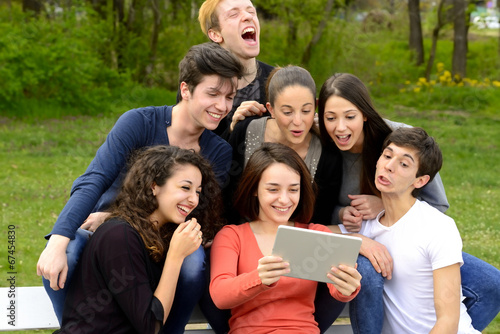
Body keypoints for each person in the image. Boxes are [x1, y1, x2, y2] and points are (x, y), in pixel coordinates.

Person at [36, 42, 244, 332]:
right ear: (185, 89)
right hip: (111, 242)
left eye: (229, 97)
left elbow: (194, 216)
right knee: (66, 252)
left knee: (193, 260)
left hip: (164, 240)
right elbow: (94, 179)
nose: (222, 106)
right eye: (213, 94)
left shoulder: (218, 152)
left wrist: (112, 216)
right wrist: (59, 239)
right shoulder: (138, 122)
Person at [317, 72, 500, 333]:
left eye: (349, 116)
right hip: (366, 235)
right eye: (330, 118)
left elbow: (435, 208)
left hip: (409, 236)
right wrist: (344, 214)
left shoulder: (399, 138)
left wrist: (385, 204)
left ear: (365, 114)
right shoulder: (320, 144)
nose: (340, 127)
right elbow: (315, 224)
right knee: (368, 270)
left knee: (489, 284)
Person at [55, 145, 224, 333]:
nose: (194, 199)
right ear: (154, 186)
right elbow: (150, 325)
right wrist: (176, 257)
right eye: (185, 187)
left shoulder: (158, 238)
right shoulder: (119, 236)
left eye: (198, 192)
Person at [226, 65, 345, 332]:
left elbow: (319, 216)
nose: (298, 122)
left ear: (315, 106)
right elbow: (228, 192)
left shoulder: (326, 152)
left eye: (306, 111)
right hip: (243, 240)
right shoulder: (246, 131)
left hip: (297, 246)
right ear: (270, 108)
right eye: (287, 112)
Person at [334, 127, 480, 333]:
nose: (389, 166)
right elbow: (311, 235)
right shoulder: (364, 224)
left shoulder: (437, 227)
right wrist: (359, 239)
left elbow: (448, 321)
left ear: (420, 181)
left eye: (403, 164)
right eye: (387, 156)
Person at [210, 142, 361, 333]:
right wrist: (259, 278)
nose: (284, 199)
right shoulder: (232, 236)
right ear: (254, 189)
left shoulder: (316, 234)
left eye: (293, 189)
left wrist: (346, 286)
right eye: (273, 189)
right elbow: (220, 296)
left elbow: (337, 290)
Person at [198, 0, 274, 139]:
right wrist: (233, 129)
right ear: (215, 34)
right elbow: (189, 151)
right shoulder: (197, 83)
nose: (248, 16)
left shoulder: (278, 80)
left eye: (251, 11)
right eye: (233, 14)